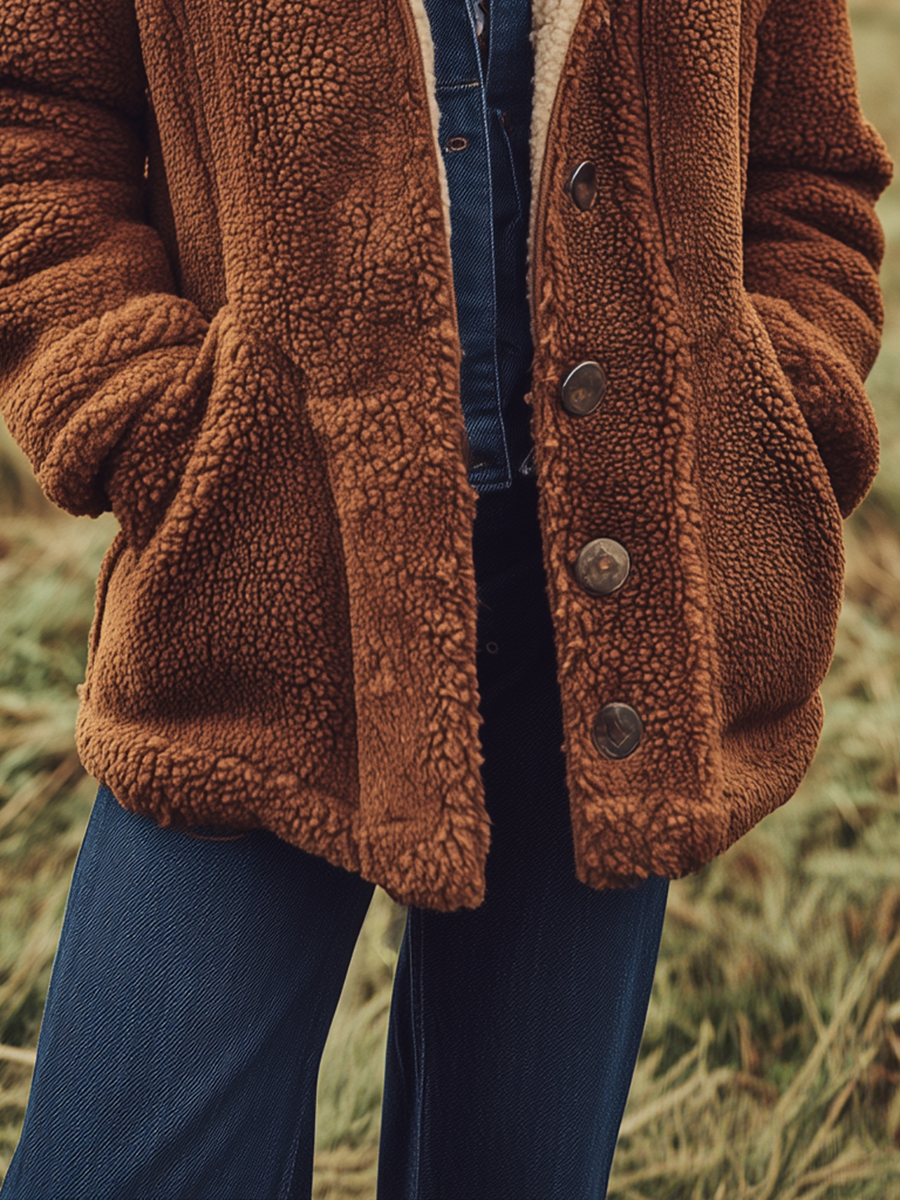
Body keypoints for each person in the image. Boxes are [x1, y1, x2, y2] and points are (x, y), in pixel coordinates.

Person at [0, 0, 891, 1196]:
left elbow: (805, 162)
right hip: (259, 564)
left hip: (613, 605)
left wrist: (778, 399)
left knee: (517, 1171)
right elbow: (31, 125)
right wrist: (150, 423)